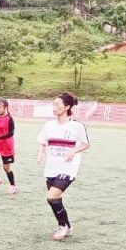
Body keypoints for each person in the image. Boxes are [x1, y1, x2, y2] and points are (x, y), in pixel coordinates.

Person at [37, 92, 91, 241]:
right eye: (53, 104)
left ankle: (62, 226)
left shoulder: (76, 126)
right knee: (57, 199)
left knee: (51, 197)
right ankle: (67, 225)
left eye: (57, 104)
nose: (54, 107)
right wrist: (41, 153)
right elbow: (42, 141)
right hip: (51, 167)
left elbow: (86, 144)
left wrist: (73, 150)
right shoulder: (48, 125)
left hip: (68, 168)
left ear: (67, 107)